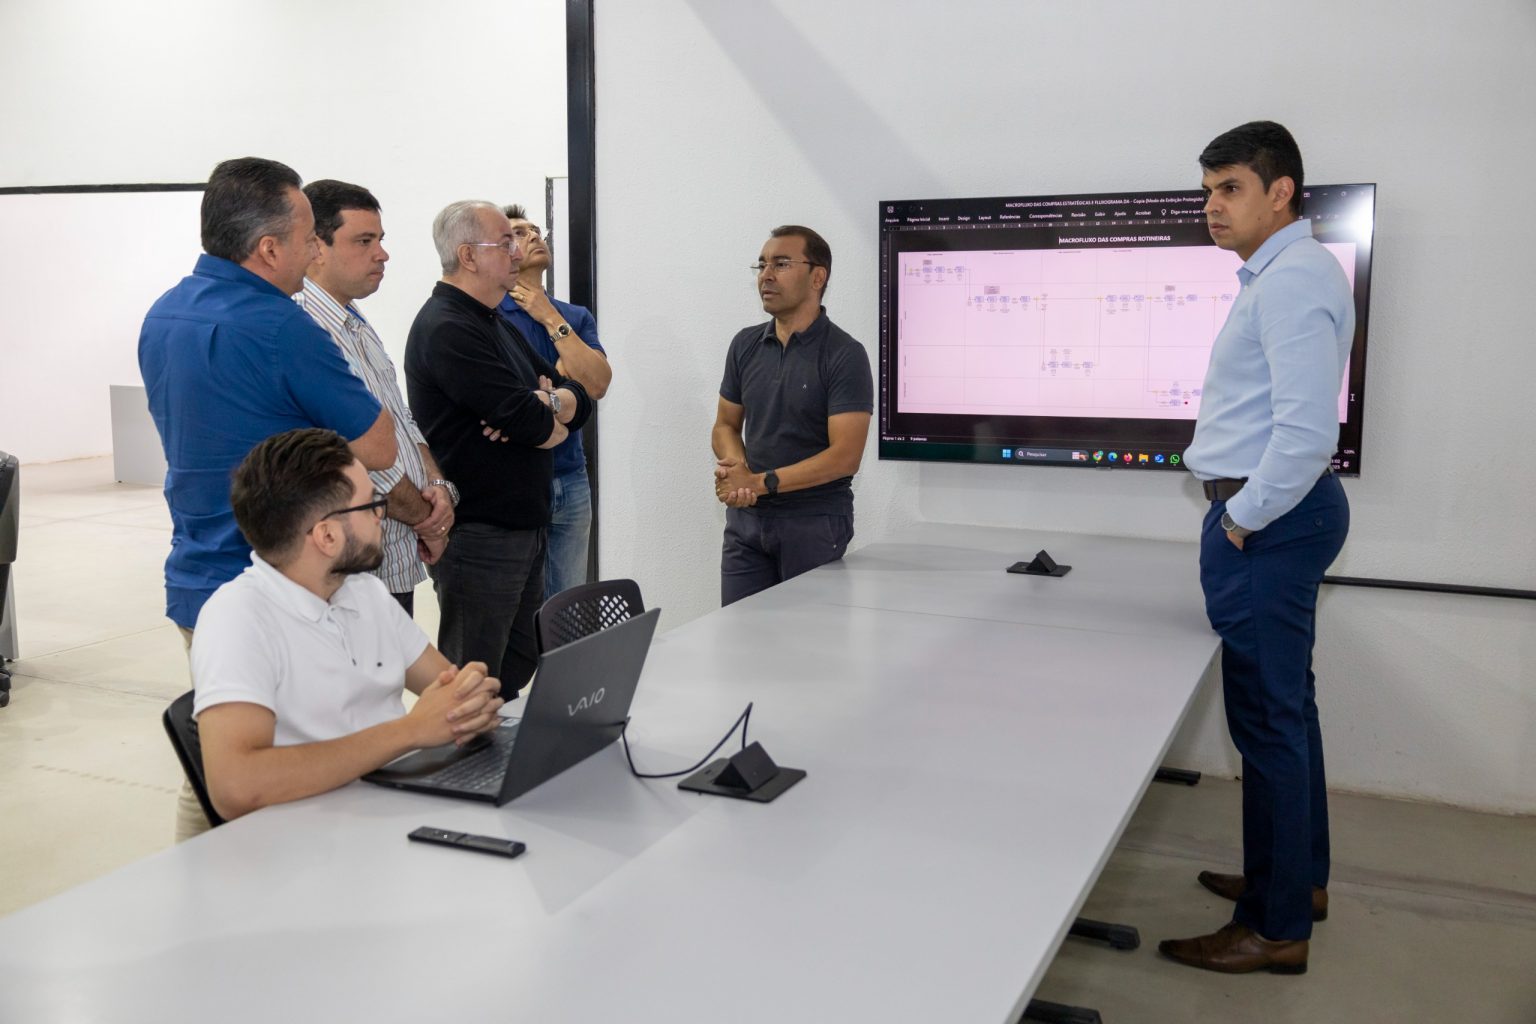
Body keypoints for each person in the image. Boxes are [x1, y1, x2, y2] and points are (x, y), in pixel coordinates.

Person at [1159, 121, 1353, 975]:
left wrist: (1241, 521)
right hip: (1277, 517)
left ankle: (1274, 930)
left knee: (1268, 723)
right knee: (1287, 713)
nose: (1212, 205)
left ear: (1281, 192)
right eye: (1207, 190)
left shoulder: (1292, 280)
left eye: (1230, 188)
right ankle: (1295, 882)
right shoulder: (1283, 274)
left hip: (1270, 521)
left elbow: (1306, 434)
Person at [139, 157, 397, 638]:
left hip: (197, 575)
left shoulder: (163, 313)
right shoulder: (284, 328)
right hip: (283, 589)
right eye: (308, 239)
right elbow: (381, 447)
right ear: (269, 249)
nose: (315, 251)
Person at [191, 428, 503, 827]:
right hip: (308, 841)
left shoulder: (363, 592)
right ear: (327, 535)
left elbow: (449, 688)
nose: (381, 515)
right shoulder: (238, 617)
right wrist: (410, 731)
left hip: (388, 813)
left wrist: (471, 695)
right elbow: (236, 786)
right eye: (372, 505)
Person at [405, 201, 592, 699]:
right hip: (480, 534)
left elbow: (582, 399)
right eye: (504, 243)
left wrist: (548, 403)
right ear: (467, 255)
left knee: (516, 662)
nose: (517, 252)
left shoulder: (493, 321)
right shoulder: (448, 326)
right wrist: (545, 412)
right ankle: (469, 752)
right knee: (473, 680)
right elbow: (530, 422)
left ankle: (497, 745)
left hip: (521, 525)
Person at [296, 179, 458, 615]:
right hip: (353, 566)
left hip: (392, 552)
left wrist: (436, 484)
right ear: (317, 247)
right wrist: (426, 517)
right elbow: (356, 451)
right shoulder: (308, 329)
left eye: (380, 240)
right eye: (364, 241)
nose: (382, 254)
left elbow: (399, 417)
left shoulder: (352, 318)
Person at [712, 225, 872, 606]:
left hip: (813, 524)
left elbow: (845, 457)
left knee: (808, 639)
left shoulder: (844, 354)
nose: (766, 275)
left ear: (818, 277)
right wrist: (737, 470)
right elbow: (725, 425)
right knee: (739, 632)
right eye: (762, 265)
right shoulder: (745, 344)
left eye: (781, 264)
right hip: (747, 525)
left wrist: (760, 482)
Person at [496, 204, 611, 599]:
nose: (533, 235)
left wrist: (548, 316)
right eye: (518, 232)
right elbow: (514, 399)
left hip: (571, 478)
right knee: (519, 607)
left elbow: (596, 383)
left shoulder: (573, 316)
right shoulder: (491, 314)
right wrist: (563, 384)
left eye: (535, 230)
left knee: (567, 606)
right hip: (515, 478)